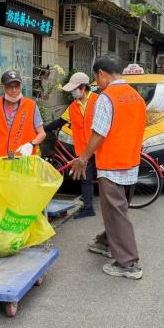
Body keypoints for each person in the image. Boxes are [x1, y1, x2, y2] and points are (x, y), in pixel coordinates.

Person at [70, 56, 147, 280]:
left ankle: (128, 263)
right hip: (131, 164)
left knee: (116, 213)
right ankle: (105, 242)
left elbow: (99, 133)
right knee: (116, 210)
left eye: (96, 78)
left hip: (112, 165)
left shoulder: (107, 98)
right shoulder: (136, 97)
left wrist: (83, 158)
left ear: (102, 74)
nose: (97, 83)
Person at [0, 70, 45, 164]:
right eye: (10, 87)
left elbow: (42, 133)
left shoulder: (31, 106)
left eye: (17, 86)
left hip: (22, 161)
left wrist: (31, 144)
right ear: (3, 88)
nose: (14, 90)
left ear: (21, 86)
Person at [60, 72, 99, 219]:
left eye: (74, 89)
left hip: (100, 147)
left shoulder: (98, 100)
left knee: (93, 177)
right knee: (86, 177)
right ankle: (88, 206)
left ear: (83, 87)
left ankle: (89, 207)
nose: (72, 93)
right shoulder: (73, 106)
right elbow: (61, 121)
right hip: (84, 149)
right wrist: (42, 129)